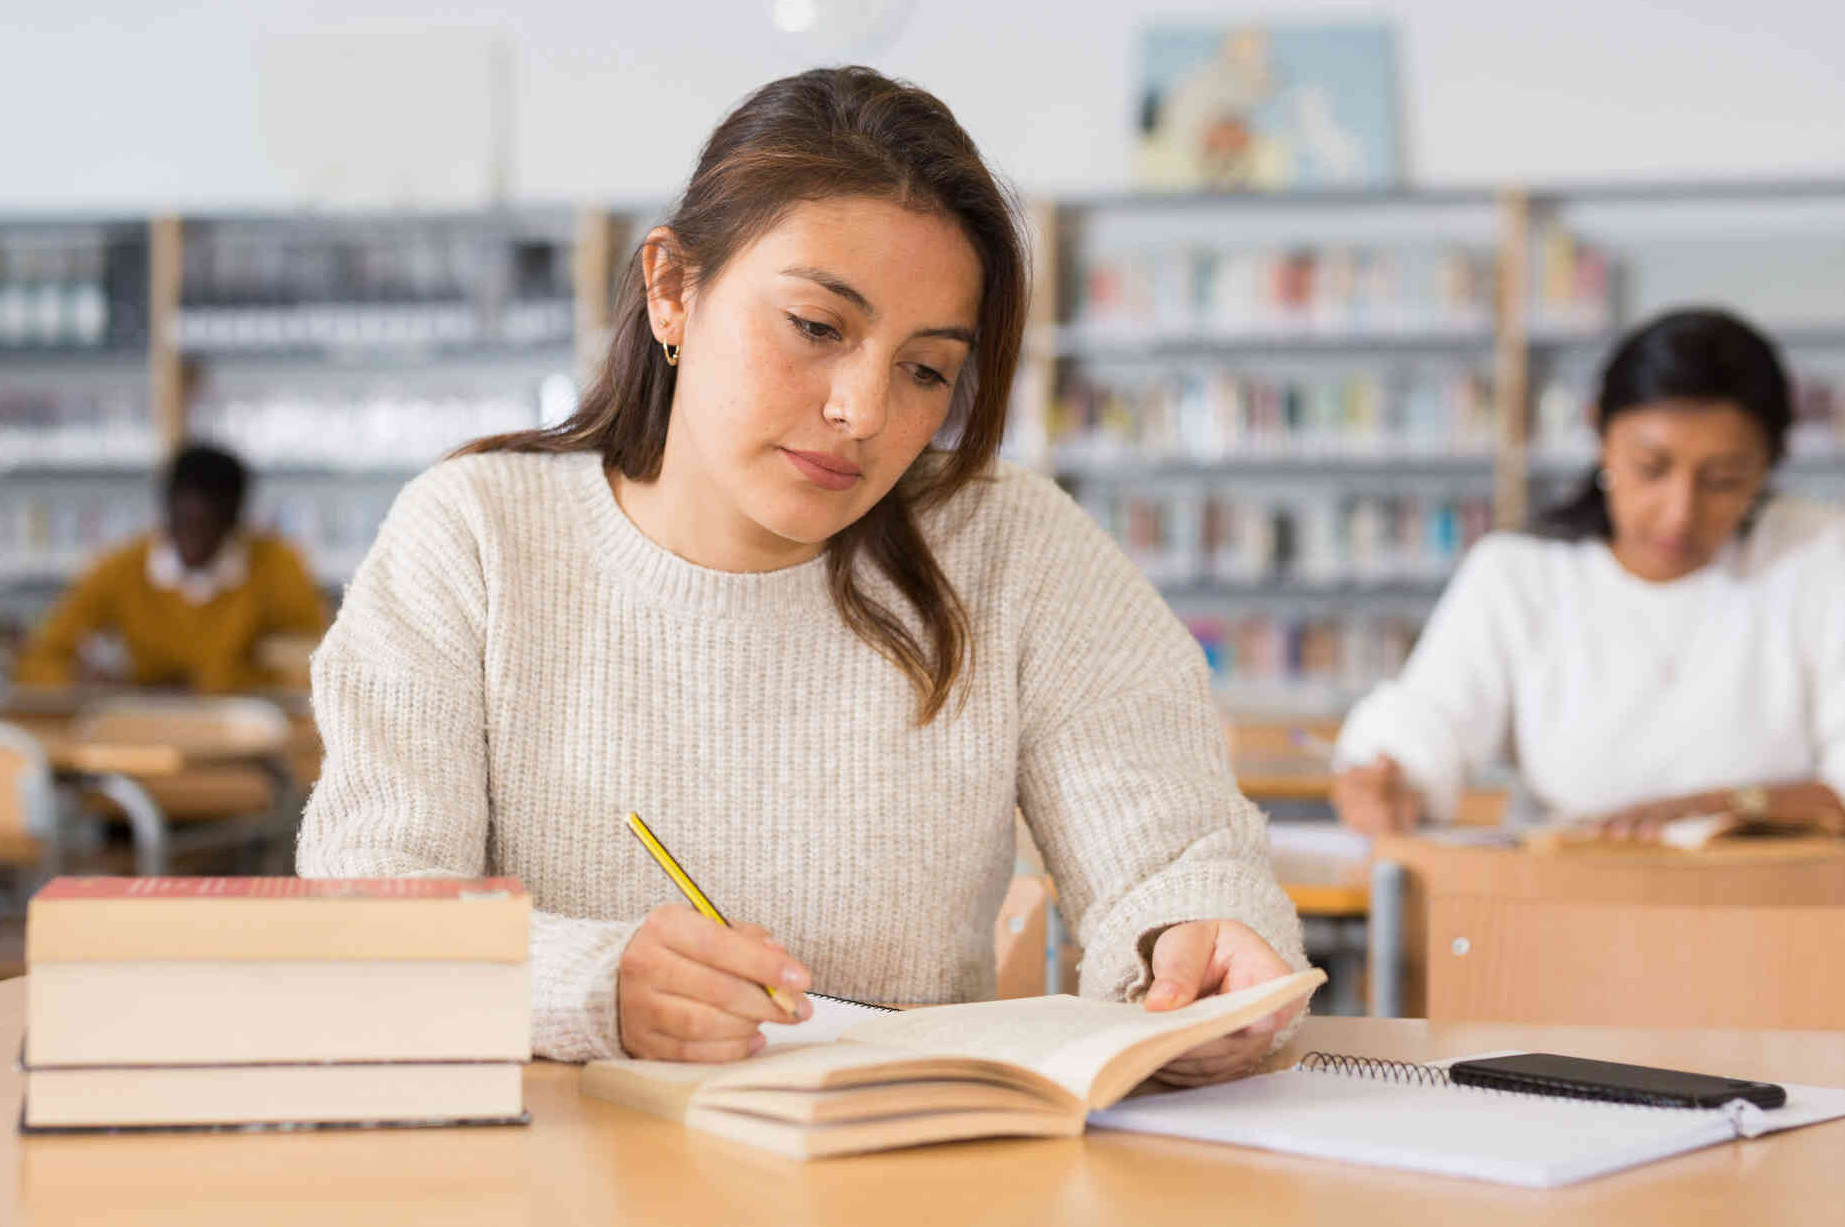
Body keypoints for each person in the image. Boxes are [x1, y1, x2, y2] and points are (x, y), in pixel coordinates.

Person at [297, 67, 1308, 1079]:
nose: (863, 411)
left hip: (903, 1165)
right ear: (671, 290)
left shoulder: (1013, 544)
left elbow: (1177, 861)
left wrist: (1192, 955)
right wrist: (588, 984)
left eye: (926, 370)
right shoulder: (475, 533)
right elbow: (370, 915)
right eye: (817, 328)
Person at [1329, 308, 1845, 843]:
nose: (1679, 512)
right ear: (1601, 435)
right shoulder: (1519, 572)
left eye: (1723, 481)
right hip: (1564, 914)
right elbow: (1425, 722)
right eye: (1650, 468)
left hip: (1775, 914)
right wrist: (1391, 783)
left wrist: (1730, 808)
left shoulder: (1818, 556)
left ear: (1769, 467)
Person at [17, 444, 325, 693]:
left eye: (208, 526)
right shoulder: (121, 568)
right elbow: (40, 659)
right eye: (183, 524)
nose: (192, 543)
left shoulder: (278, 566)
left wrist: (216, 685)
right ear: (165, 511)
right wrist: (82, 684)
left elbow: (322, 665)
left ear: (235, 520)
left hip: (249, 736)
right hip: (143, 730)